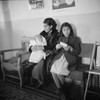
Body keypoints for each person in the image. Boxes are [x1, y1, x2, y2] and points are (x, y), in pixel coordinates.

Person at [50, 22, 81, 94]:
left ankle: (64, 89)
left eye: (67, 29)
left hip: (71, 58)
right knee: (53, 71)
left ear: (71, 30)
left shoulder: (76, 39)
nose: (66, 31)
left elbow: (77, 52)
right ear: (62, 31)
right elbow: (57, 50)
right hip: (61, 57)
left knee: (59, 73)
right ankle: (59, 88)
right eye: (64, 30)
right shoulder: (61, 38)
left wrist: (70, 48)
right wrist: (57, 47)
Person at [29, 17, 60, 88]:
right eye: (44, 26)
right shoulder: (42, 33)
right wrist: (31, 48)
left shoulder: (57, 34)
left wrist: (43, 47)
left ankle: (42, 81)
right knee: (35, 61)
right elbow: (35, 41)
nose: (44, 28)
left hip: (51, 53)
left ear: (51, 26)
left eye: (46, 26)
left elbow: (54, 46)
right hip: (40, 52)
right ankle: (40, 80)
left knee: (41, 64)